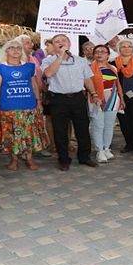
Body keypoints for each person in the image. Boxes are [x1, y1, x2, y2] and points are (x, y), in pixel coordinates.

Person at [41, 34, 99, 171]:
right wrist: (60, 57)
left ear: (69, 43)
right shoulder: (48, 60)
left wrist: (94, 93)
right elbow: (48, 74)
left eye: (63, 40)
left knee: (82, 128)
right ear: (53, 45)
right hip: (59, 99)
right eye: (57, 41)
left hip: (78, 98)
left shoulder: (80, 61)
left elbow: (87, 79)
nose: (61, 43)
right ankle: (63, 159)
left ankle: (84, 157)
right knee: (60, 130)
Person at [0, 39, 47, 170]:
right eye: (12, 48)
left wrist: (39, 101)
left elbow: (34, 85)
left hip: (28, 105)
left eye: (18, 48)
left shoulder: (29, 67)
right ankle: (14, 159)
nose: (15, 50)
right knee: (11, 134)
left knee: (29, 133)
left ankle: (29, 158)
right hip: (8, 106)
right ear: (6, 51)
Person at [89, 45, 124, 163]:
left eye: (103, 52)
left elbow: (117, 84)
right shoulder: (89, 68)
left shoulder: (113, 68)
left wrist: (121, 98)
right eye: (97, 52)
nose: (100, 54)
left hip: (113, 99)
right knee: (98, 126)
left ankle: (106, 148)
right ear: (93, 54)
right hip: (96, 100)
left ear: (108, 55)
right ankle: (99, 150)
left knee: (109, 126)